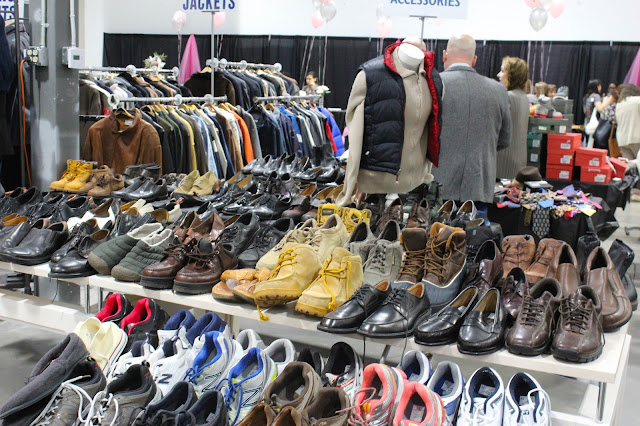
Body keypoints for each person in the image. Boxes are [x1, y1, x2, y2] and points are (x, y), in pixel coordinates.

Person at [431, 34, 512, 204]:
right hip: (479, 185)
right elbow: (504, 139)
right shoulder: (498, 91)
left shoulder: (432, 84)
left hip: (436, 184)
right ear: (474, 60)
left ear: (444, 55)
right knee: (477, 222)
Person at [496, 57, 530, 179]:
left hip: (502, 162)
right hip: (518, 161)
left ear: (512, 75)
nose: (499, 75)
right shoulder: (524, 98)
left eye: (502, 71)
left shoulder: (507, 97)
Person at [615, 84, 640, 160]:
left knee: (629, 165)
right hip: (637, 138)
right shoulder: (637, 101)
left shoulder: (619, 105)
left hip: (622, 140)